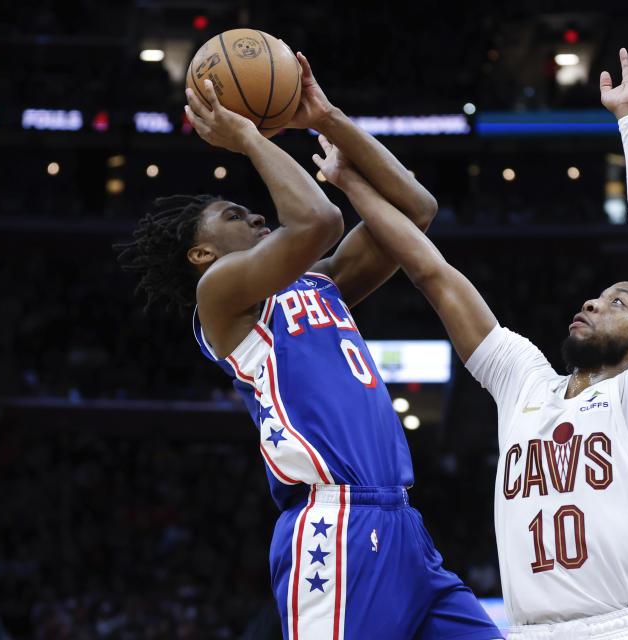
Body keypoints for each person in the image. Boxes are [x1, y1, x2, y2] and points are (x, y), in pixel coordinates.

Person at [311, 34, 628, 639]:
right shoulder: (524, 380)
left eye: (619, 301)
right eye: (600, 294)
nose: (593, 301)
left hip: (623, 628)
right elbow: (433, 273)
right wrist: (352, 184)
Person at [116, 54, 501, 640]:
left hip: (402, 522)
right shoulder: (219, 297)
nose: (249, 212)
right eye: (228, 214)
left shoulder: (322, 283)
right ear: (200, 255)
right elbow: (317, 219)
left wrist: (328, 119)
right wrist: (247, 137)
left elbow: (415, 211)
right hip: (334, 523)